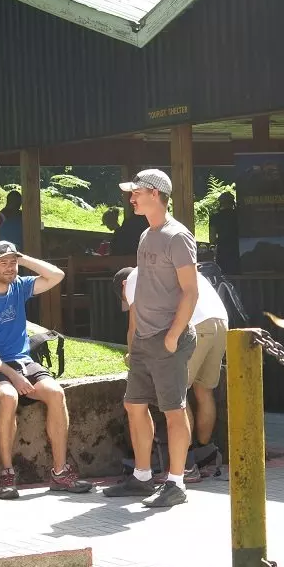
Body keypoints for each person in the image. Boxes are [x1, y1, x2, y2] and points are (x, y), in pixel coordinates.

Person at [0, 240, 93, 499]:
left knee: (55, 393)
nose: (9, 267)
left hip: (21, 359)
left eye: (13, 263)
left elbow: (57, 275)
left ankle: (60, 472)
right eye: (3, 263)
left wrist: (22, 259)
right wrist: (13, 376)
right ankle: (7, 473)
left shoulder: (20, 286)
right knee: (9, 396)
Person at [103, 169, 198, 508]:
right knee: (134, 405)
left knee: (174, 410)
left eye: (137, 192)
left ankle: (176, 483)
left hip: (168, 339)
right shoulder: (146, 235)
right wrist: (135, 343)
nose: (131, 198)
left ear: (155, 194)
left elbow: (191, 292)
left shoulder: (178, 236)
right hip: (144, 340)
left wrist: (172, 337)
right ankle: (142, 478)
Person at [114, 265, 228, 480]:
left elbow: (134, 328)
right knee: (204, 391)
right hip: (220, 321)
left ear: (123, 284)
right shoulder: (168, 267)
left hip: (194, 324)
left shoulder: (134, 279)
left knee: (178, 394)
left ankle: (187, 465)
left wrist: (134, 358)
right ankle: (204, 456)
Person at [208, 191, 240, 275]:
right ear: (232, 202)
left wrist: (213, 245)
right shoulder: (239, 215)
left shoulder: (215, 217)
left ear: (220, 203)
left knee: (224, 274)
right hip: (237, 248)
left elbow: (212, 237)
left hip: (222, 249)